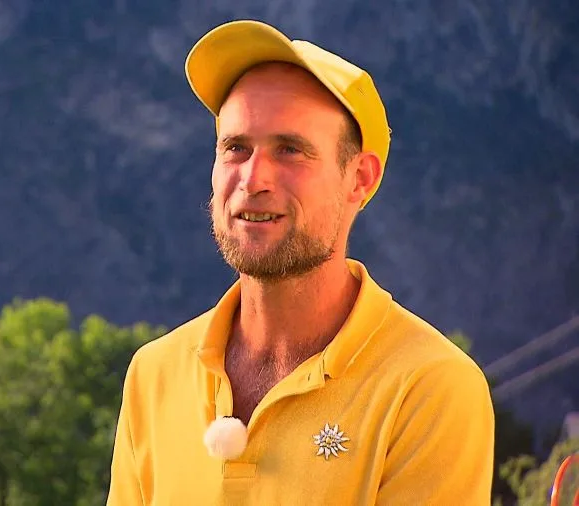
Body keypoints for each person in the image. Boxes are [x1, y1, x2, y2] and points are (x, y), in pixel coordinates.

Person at [106, 19, 495, 505]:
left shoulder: (429, 387)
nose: (252, 178)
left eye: (289, 150)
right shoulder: (154, 374)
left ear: (359, 179)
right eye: (235, 148)